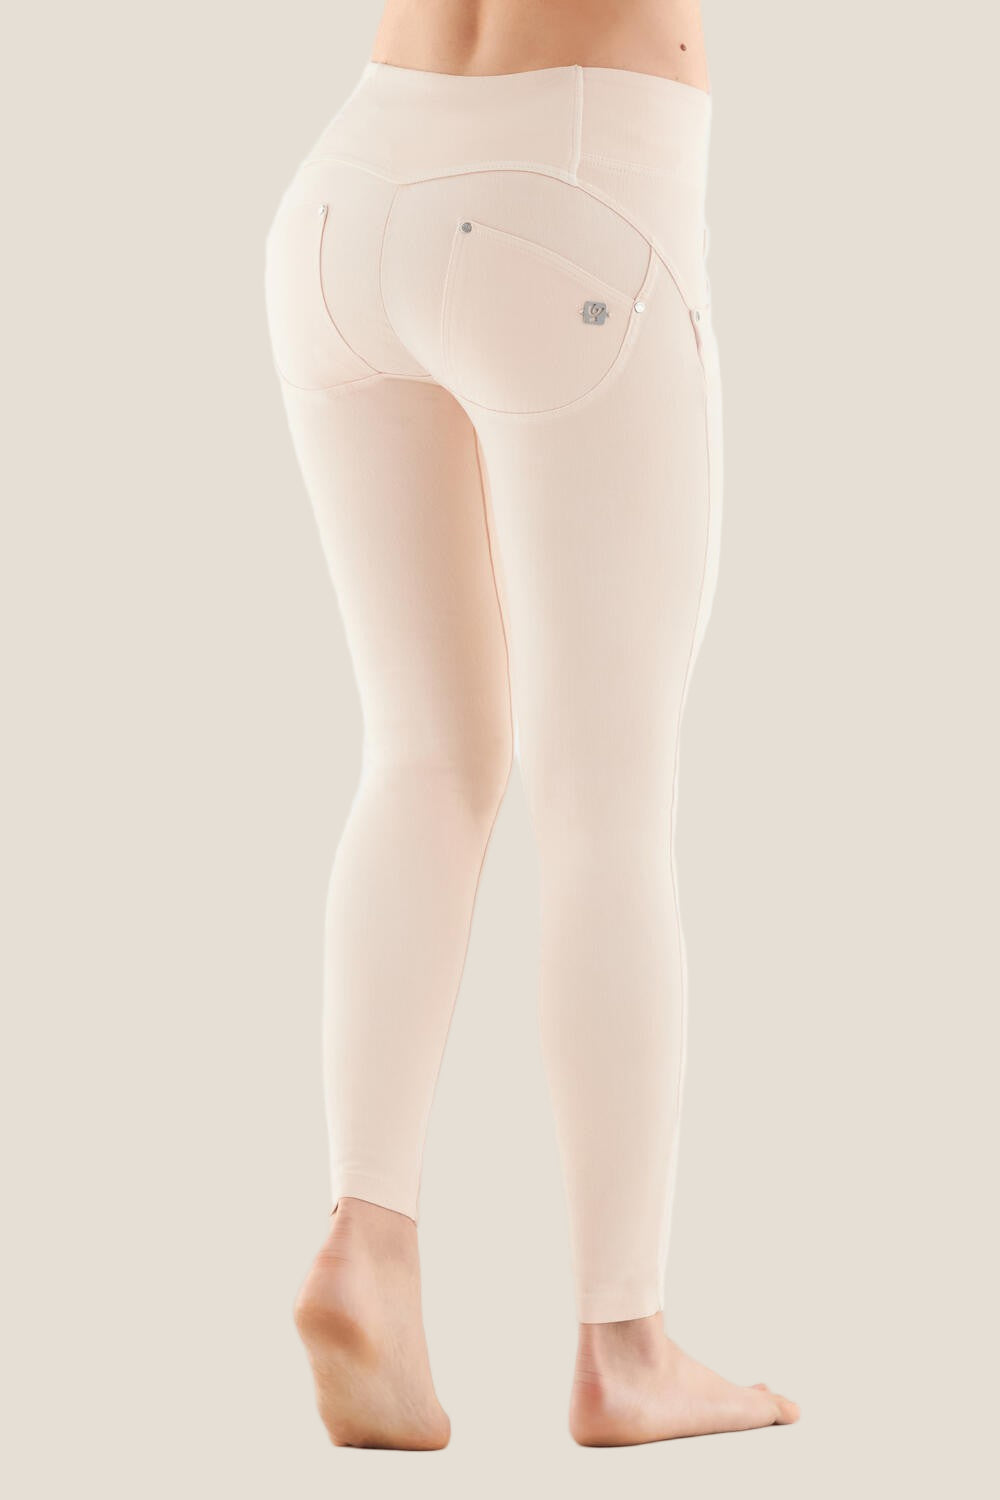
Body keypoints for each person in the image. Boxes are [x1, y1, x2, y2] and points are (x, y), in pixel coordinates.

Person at [265, 0, 799, 1449]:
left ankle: (366, 1241)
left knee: (421, 751)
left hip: (350, 192)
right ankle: (626, 1345)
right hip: (571, 193)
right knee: (605, 796)